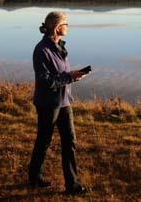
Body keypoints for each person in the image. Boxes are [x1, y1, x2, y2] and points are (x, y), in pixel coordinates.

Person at [28, 11, 88, 195]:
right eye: (66, 23)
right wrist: (70, 77)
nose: (68, 27)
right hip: (48, 104)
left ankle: (73, 185)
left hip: (64, 102)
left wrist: (73, 76)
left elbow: (61, 75)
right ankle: (34, 177)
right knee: (44, 141)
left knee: (70, 141)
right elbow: (47, 81)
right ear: (56, 27)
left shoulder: (58, 46)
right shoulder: (41, 50)